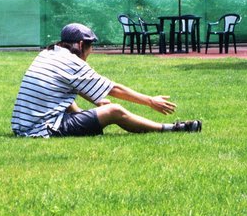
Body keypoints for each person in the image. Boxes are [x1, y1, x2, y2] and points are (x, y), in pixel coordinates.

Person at [11, 23, 202, 138]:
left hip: (24, 127)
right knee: (114, 110)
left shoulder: (48, 53)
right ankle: (171, 129)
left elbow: (67, 90)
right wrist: (150, 101)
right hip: (43, 130)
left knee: (101, 107)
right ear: (80, 45)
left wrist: (87, 112)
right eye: (91, 46)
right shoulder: (71, 62)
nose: (91, 51)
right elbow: (113, 88)